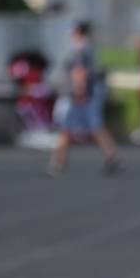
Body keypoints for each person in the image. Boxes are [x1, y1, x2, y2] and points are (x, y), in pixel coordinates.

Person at [49, 21, 119, 176]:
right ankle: (110, 154)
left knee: (66, 127)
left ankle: (58, 162)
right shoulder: (89, 48)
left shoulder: (79, 50)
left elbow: (79, 71)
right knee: (94, 125)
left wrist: (79, 92)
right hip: (90, 93)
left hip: (80, 95)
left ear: (77, 32)